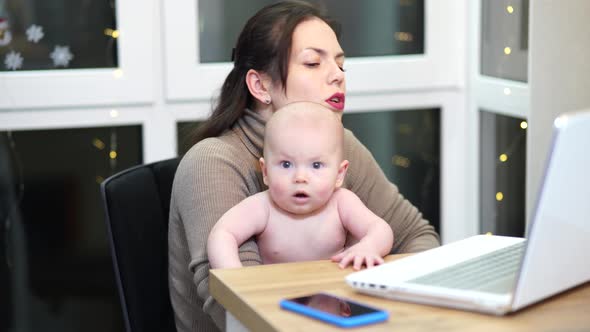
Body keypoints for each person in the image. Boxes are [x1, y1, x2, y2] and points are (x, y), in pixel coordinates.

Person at [168, 1, 440, 331]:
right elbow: (241, 306)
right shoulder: (213, 163)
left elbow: (418, 237)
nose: (337, 75)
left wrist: (366, 276)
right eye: (313, 62)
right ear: (261, 86)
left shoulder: (339, 143)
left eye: (342, 66)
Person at [207, 102, 394, 271]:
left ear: (339, 174)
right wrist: (233, 276)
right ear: (265, 172)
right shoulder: (262, 207)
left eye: (316, 165)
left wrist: (368, 246)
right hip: (275, 301)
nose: (300, 177)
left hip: (332, 299)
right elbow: (222, 234)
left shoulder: (341, 202)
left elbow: (380, 229)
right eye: (286, 164)